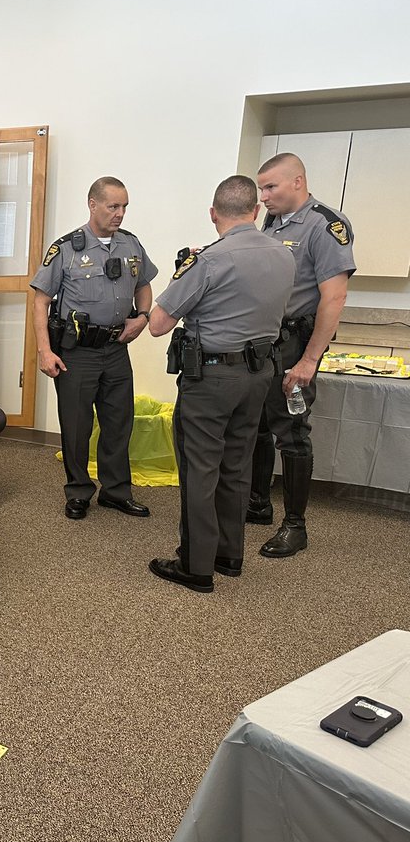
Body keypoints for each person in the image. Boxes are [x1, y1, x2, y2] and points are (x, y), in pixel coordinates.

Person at [146, 176, 294, 593]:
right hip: (258, 375)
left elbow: (158, 325)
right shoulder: (284, 256)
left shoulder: (208, 260)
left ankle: (195, 565)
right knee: (237, 465)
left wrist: (183, 277)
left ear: (213, 214)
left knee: (200, 470)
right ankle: (230, 554)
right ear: (256, 211)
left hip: (212, 379)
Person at [246, 153, 356, 558]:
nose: (264, 195)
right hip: (263, 341)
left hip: (295, 343)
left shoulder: (326, 225)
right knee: (257, 424)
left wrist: (310, 359)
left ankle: (295, 526)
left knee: (291, 433)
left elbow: (334, 297)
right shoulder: (272, 221)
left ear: (297, 182)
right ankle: (257, 503)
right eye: (261, 188)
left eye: (271, 187)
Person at [30, 176, 159, 520]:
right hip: (77, 351)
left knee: (119, 421)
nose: (120, 214)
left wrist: (143, 317)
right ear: (93, 204)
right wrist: (45, 351)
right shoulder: (66, 249)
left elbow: (144, 284)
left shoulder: (131, 245)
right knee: (76, 426)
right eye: (113, 206)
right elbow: (40, 301)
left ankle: (115, 492)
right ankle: (78, 491)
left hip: (116, 348)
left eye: (124, 207)